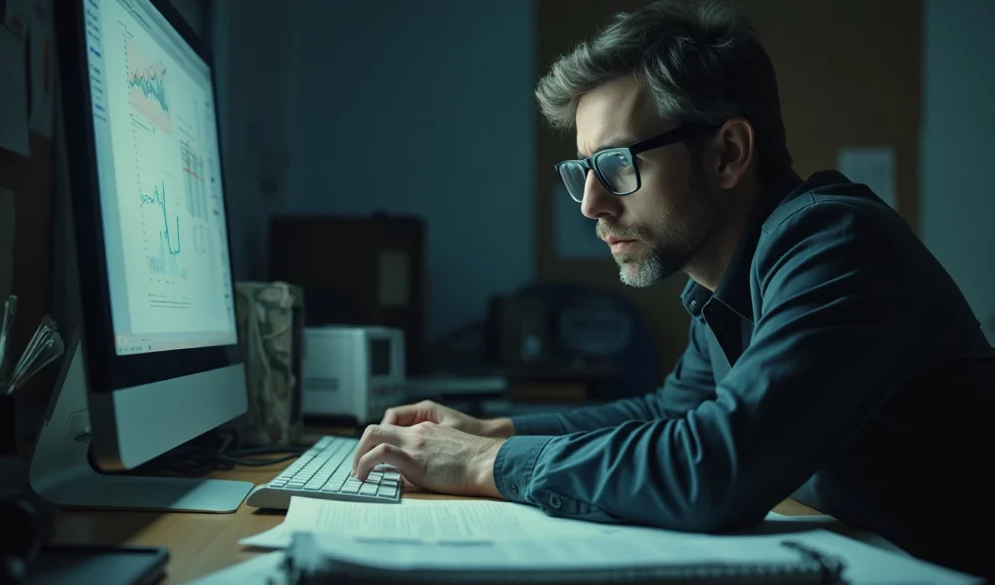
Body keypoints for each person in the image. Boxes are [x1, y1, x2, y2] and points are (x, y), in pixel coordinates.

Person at [350, 0, 993, 577]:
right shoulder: (731, 279)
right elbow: (668, 414)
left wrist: (479, 465)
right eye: (582, 170)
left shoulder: (835, 244)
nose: (591, 204)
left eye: (617, 164)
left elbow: (713, 465)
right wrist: (498, 431)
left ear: (728, 154)